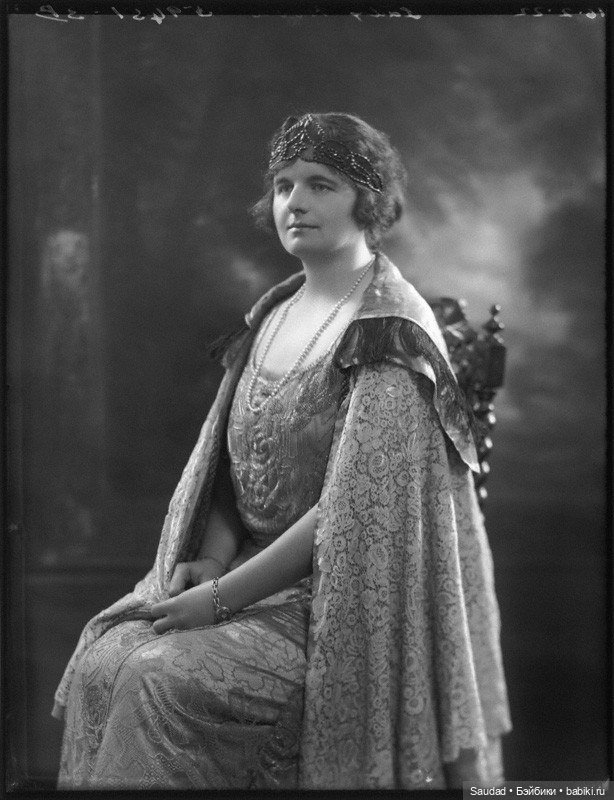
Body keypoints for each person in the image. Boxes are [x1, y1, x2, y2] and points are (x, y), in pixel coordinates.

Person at [52, 112, 512, 790]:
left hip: (341, 600)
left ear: (368, 201)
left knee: (157, 678)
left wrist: (220, 598)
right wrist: (212, 557)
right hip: (242, 570)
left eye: (321, 185)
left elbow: (352, 511)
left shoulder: (391, 330)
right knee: (102, 660)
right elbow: (228, 467)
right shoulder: (273, 311)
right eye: (284, 185)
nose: (295, 203)